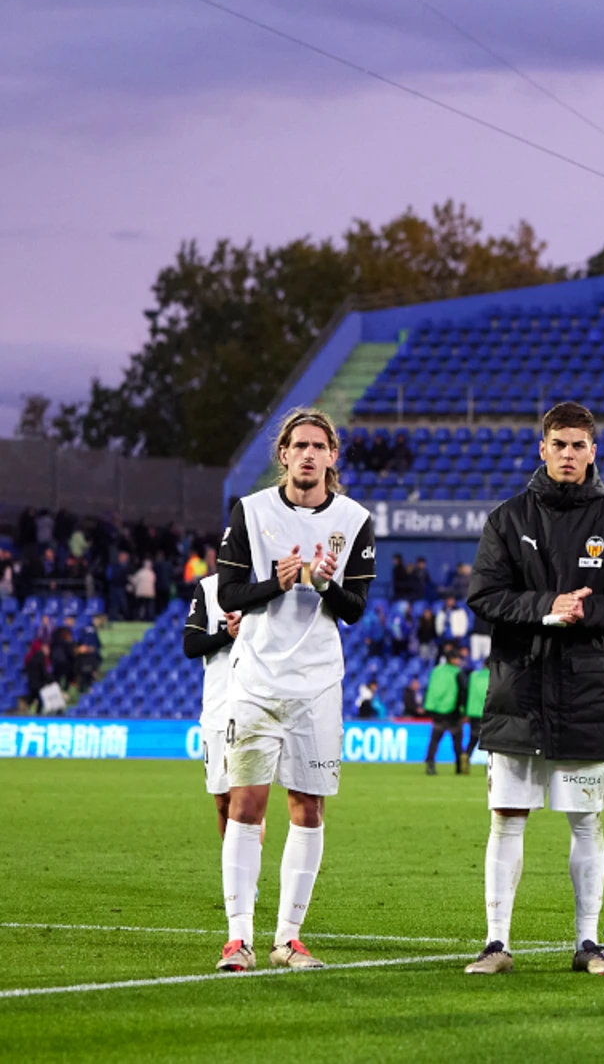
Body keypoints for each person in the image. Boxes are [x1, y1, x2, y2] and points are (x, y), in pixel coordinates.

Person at [463, 402, 604, 977]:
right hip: (519, 690)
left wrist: (580, 614)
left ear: (594, 452)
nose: (568, 455)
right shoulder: (507, 519)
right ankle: (496, 943)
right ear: (542, 449)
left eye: (578, 446)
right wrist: (548, 608)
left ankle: (588, 944)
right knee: (507, 818)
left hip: (587, 694)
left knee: (585, 822)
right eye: (559, 445)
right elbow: (484, 598)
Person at [213, 408, 377, 973]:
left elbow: (354, 609)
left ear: (333, 456)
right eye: (297, 445)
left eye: (318, 446)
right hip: (256, 680)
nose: (307, 454)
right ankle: (239, 939)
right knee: (246, 805)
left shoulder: (355, 520)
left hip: (317, 684)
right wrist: (274, 582)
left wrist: (323, 582)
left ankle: (288, 938)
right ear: (282, 454)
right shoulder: (251, 511)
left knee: (308, 806)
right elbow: (230, 591)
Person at [184, 556, 242, 837]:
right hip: (217, 706)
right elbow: (191, 645)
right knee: (222, 801)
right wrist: (227, 635)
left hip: (255, 704)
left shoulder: (270, 586)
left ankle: (247, 878)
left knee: (246, 801)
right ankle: (234, 874)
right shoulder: (208, 589)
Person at [423, 645, 473, 776]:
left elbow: (430, 690)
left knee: (434, 740)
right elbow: (463, 693)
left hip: (437, 711)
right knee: (457, 741)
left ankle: (430, 765)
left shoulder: (436, 671)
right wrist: (463, 711)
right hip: (453, 713)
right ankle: (458, 767)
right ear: (452, 659)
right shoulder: (458, 673)